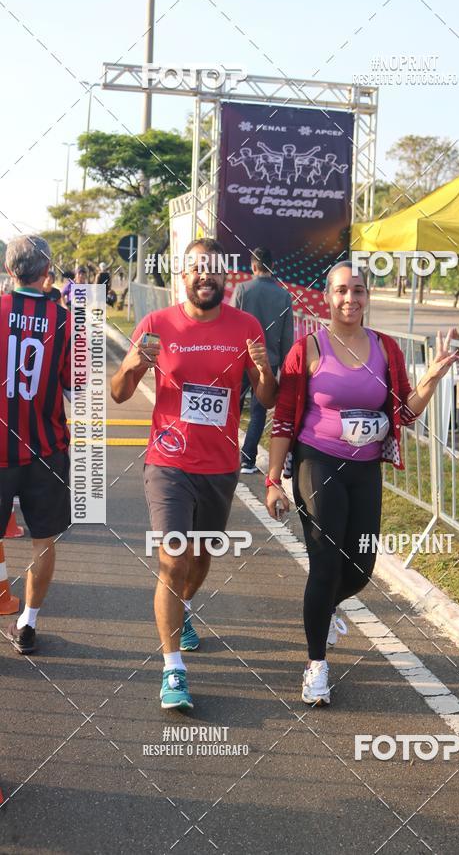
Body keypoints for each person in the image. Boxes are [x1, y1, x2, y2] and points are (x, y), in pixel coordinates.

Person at [265, 261, 459, 706]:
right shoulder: (309, 348)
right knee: (326, 562)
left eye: (357, 290)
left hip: (365, 467)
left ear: (366, 297)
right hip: (318, 462)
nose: (350, 298)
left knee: (362, 565)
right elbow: (283, 420)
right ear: (327, 298)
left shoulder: (385, 349)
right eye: (340, 291)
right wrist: (273, 480)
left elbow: (405, 413)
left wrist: (431, 376)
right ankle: (316, 666)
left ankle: (326, 608)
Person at [110, 237, 277, 711]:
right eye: (196, 269)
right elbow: (121, 393)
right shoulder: (157, 324)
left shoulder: (245, 326)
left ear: (227, 277)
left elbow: (266, 398)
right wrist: (131, 365)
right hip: (169, 460)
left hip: (220, 464)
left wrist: (264, 372)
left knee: (201, 557)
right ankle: (173, 669)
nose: (205, 276)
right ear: (183, 276)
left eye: (214, 270)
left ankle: (181, 609)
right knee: (174, 556)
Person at [2, 236, 72, 654]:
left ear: (12, 271)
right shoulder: (65, 323)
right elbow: (77, 388)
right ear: (49, 269)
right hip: (46, 448)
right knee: (43, 540)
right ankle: (28, 622)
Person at [231, 247, 294, 473]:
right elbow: (287, 336)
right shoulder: (284, 295)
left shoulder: (242, 289)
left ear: (253, 266)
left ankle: (228, 453)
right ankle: (248, 459)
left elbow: (229, 322)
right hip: (269, 361)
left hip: (240, 358)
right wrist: (286, 365)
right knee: (259, 410)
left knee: (233, 406)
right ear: (272, 267)